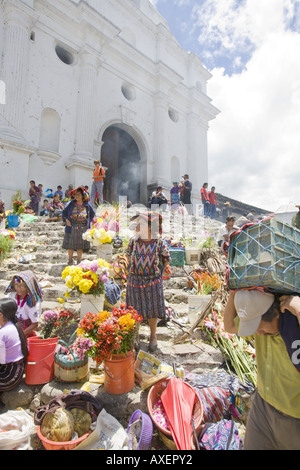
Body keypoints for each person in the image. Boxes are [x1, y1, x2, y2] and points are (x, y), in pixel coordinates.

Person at [223, 289, 300, 450]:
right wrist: (233, 293)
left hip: (294, 419)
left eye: (259, 327)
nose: (257, 333)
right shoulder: (260, 324)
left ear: (276, 313)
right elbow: (229, 326)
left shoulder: (294, 332)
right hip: (262, 408)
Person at [126, 212, 171, 352]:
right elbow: (127, 256)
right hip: (135, 280)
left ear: (151, 227)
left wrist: (161, 273)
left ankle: (153, 336)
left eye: (142, 223)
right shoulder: (133, 241)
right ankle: (136, 335)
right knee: (134, 309)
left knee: (153, 310)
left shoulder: (159, 243)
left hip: (152, 282)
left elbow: (166, 260)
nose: (138, 226)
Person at [0, 298, 28, 405]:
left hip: (10, 376)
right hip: (14, 370)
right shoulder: (10, 325)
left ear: (1, 315)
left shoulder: (4, 332)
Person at [62, 186, 95, 265]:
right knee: (70, 245)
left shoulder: (87, 205)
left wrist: (87, 222)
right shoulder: (71, 203)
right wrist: (67, 220)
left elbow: (92, 214)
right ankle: (70, 260)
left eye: (78, 195)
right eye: (75, 195)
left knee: (80, 246)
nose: (76, 196)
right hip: (71, 227)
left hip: (82, 228)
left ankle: (79, 261)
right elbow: (64, 213)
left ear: (82, 196)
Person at [5, 271, 43, 338]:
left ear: (28, 287)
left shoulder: (31, 302)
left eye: (22, 286)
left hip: (25, 332)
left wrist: (20, 335)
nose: (19, 288)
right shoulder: (11, 296)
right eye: (17, 285)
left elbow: (35, 324)